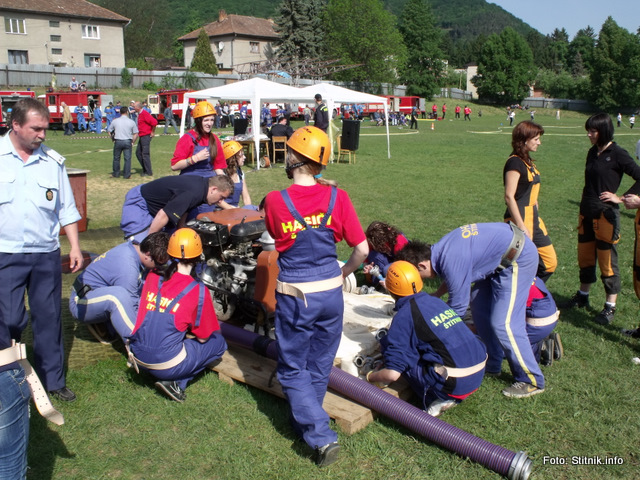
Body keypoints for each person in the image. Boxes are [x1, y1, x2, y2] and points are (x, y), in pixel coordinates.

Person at [263, 126, 368, 466]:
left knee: (293, 368)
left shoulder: (276, 200)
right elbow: (362, 250)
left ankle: (320, 436)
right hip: (331, 294)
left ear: (293, 157)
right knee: (320, 364)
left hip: (297, 295)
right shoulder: (339, 197)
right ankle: (303, 421)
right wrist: (343, 273)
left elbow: (273, 234)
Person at [397, 223, 544, 398]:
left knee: (504, 324)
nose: (418, 280)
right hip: (501, 260)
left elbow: (458, 307)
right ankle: (493, 364)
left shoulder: (450, 258)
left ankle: (532, 380)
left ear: (421, 266)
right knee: (478, 306)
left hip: (519, 257)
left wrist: (433, 334)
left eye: (416, 275)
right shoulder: (439, 252)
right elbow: (456, 276)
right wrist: (437, 294)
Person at [0, 98, 83, 402]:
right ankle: (8, 377)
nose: (42, 135)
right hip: (6, 252)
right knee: (8, 318)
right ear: (16, 125)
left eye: (45, 129)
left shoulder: (52, 162)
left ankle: (53, 380)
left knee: (48, 317)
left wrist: (74, 247)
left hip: (45, 253)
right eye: (36, 129)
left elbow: (66, 209)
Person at [366, 261, 486, 417]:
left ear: (389, 288)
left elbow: (392, 374)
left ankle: (439, 397)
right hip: (478, 372)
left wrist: (371, 376)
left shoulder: (404, 316)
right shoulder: (435, 302)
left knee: (402, 354)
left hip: (454, 384)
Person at [127, 228, 227, 403]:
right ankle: (177, 382)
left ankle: (166, 374)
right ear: (199, 255)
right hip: (165, 365)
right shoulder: (198, 290)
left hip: (137, 354)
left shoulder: (152, 275)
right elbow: (203, 338)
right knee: (219, 343)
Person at [563, 113, 640, 325]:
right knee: (586, 257)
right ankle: (583, 296)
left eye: (592, 131)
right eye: (588, 131)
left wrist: (621, 198)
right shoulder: (592, 151)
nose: (589, 134)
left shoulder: (618, 153)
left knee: (607, 262)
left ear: (603, 131)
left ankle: (609, 307)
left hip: (606, 215)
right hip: (586, 212)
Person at [69, 232, 170, 343]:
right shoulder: (128, 268)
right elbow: (132, 307)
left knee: (143, 293)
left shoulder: (135, 247)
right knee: (119, 297)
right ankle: (137, 345)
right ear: (148, 254)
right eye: (159, 263)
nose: (159, 267)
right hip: (80, 302)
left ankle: (105, 324)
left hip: (97, 292)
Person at [504, 121, 557, 282]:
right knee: (514, 265)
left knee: (549, 263)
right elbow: (509, 196)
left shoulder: (528, 161)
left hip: (533, 218)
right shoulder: (514, 162)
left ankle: (527, 291)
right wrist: (520, 225)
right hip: (519, 219)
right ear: (524, 140)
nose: (539, 143)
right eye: (536, 139)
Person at [120, 174, 233, 242]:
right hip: (140, 203)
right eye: (221, 197)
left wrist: (180, 229)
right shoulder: (194, 193)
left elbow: (186, 208)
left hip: (158, 210)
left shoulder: (203, 188)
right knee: (141, 249)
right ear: (213, 189)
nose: (220, 202)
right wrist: (149, 242)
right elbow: (163, 214)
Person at [170, 101, 226, 178]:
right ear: (198, 121)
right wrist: (195, 158)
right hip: (190, 179)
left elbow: (218, 167)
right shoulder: (187, 138)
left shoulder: (214, 139)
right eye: (206, 120)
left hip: (209, 180)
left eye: (212, 120)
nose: (209, 124)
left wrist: (225, 181)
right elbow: (174, 166)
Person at [362, 221, 408, 287]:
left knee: (386, 270)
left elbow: (404, 266)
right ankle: (378, 280)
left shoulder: (399, 242)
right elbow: (366, 256)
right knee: (373, 255)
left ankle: (390, 284)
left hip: (402, 263)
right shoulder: (372, 238)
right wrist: (367, 266)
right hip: (389, 258)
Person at [219, 141, 256, 210]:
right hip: (221, 211)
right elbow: (217, 200)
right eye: (241, 155)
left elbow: (246, 198)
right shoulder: (221, 174)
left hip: (235, 211)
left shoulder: (240, 174)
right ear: (233, 158)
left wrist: (249, 210)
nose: (244, 157)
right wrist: (231, 208)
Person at [107, 106, 138, 179]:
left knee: (116, 158)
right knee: (127, 159)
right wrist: (133, 141)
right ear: (127, 112)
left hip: (118, 140)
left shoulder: (115, 121)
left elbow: (109, 131)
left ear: (120, 112)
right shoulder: (131, 121)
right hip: (127, 141)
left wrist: (112, 139)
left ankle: (116, 174)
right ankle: (127, 175)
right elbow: (136, 133)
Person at [134, 101, 158, 177]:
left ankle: (148, 171)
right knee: (138, 153)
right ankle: (145, 168)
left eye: (134, 107)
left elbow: (154, 122)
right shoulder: (140, 114)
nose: (133, 108)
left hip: (146, 136)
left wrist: (152, 132)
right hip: (141, 135)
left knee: (145, 154)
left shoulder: (145, 114)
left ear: (138, 107)